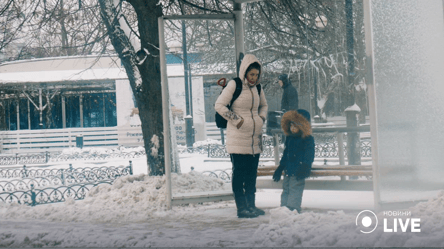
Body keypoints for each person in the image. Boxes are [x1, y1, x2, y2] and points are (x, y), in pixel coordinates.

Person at [215, 54, 268, 218]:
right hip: (237, 138)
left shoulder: (258, 88)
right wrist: (236, 120)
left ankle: (251, 205)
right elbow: (219, 105)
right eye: (251, 74)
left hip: (254, 139)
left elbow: (264, 105)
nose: (254, 78)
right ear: (245, 72)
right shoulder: (234, 84)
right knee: (239, 174)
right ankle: (241, 208)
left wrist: (261, 119)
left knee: (251, 174)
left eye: (256, 75)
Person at [272, 109, 315, 213]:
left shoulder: (307, 139)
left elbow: (309, 155)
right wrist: (280, 167)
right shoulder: (290, 138)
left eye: (295, 126)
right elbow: (286, 155)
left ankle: (293, 209)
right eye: (291, 125)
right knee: (286, 188)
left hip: (299, 170)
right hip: (288, 170)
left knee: (295, 189)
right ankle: (283, 208)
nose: (292, 128)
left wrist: (305, 166)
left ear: (302, 126)